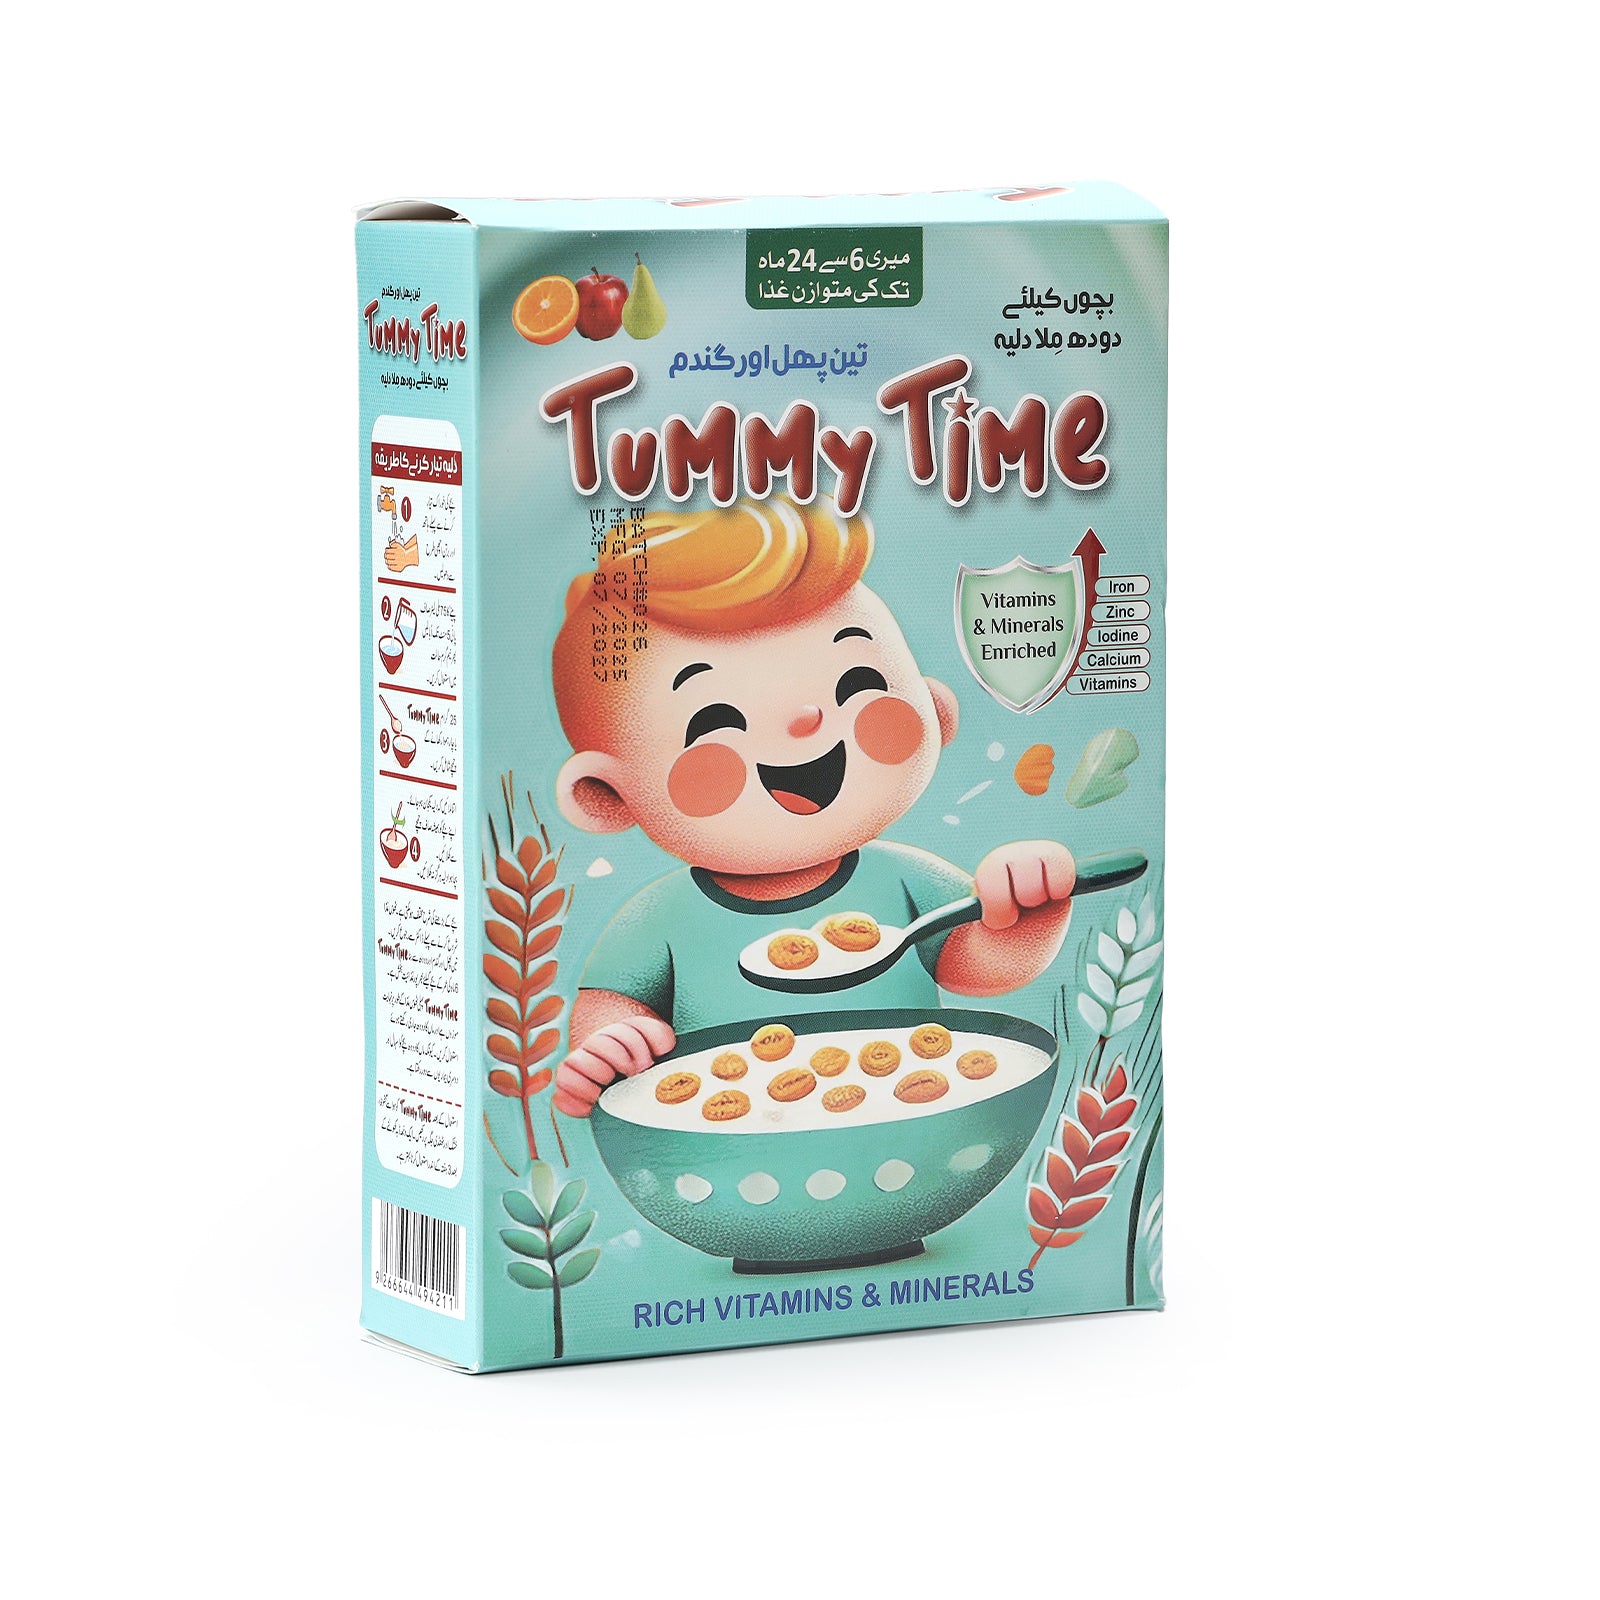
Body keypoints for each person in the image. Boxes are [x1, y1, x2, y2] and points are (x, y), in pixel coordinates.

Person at [549, 495, 1076, 1117]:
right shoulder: (661, 918)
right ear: (607, 797)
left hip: (913, 1121)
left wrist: (1030, 915)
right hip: (725, 1145)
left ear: (936, 712)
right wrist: (609, 1049)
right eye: (714, 721)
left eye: (860, 685)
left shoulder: (901, 879)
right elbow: (610, 1004)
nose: (807, 721)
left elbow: (975, 965)